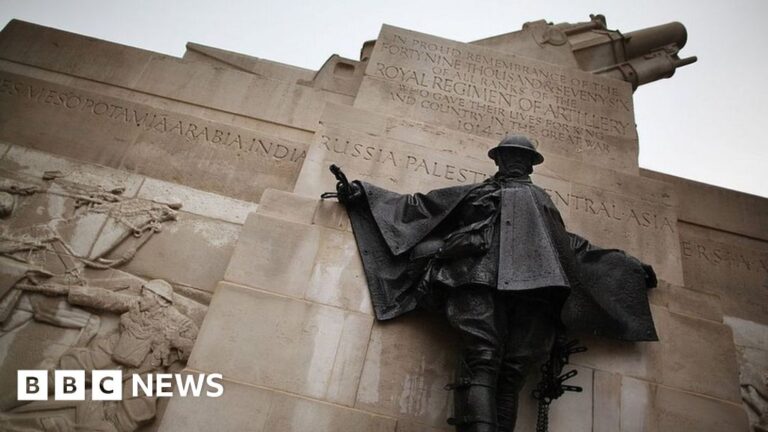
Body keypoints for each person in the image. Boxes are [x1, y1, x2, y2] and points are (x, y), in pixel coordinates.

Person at [330, 135, 659, 432]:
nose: (515, 162)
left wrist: (624, 267)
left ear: (530, 164)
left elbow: (567, 245)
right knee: (483, 359)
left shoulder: (541, 200)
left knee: (513, 371)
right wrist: (364, 194)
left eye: (521, 158)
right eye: (509, 156)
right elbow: (419, 208)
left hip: (535, 291)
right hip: (479, 280)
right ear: (498, 160)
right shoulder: (478, 193)